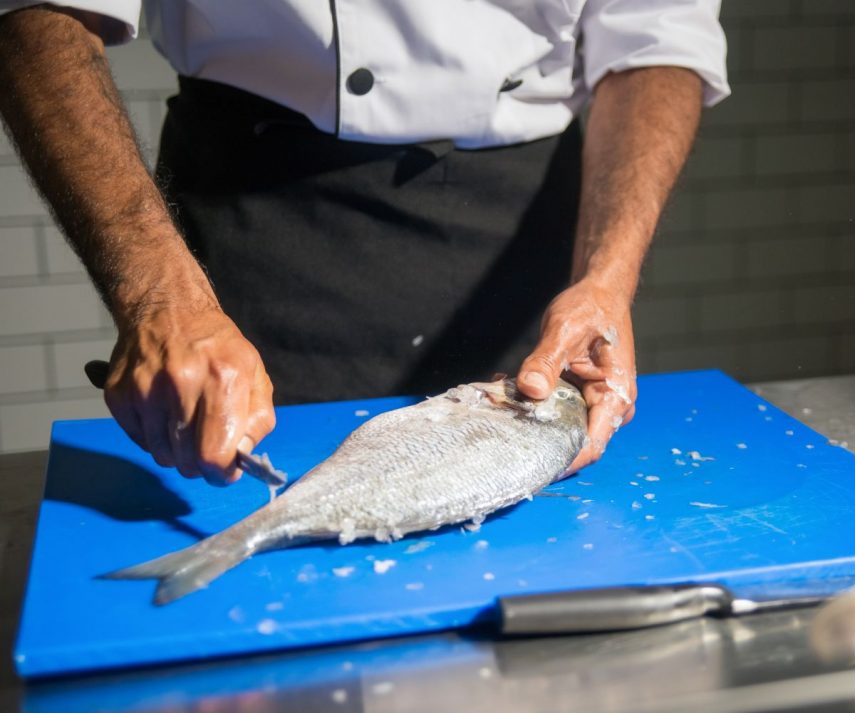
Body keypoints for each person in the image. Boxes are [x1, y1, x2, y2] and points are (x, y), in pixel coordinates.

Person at [0, 1, 729, 486]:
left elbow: (655, 35)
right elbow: (38, 14)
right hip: (259, 220)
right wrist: (158, 293)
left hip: (525, 245)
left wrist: (607, 275)